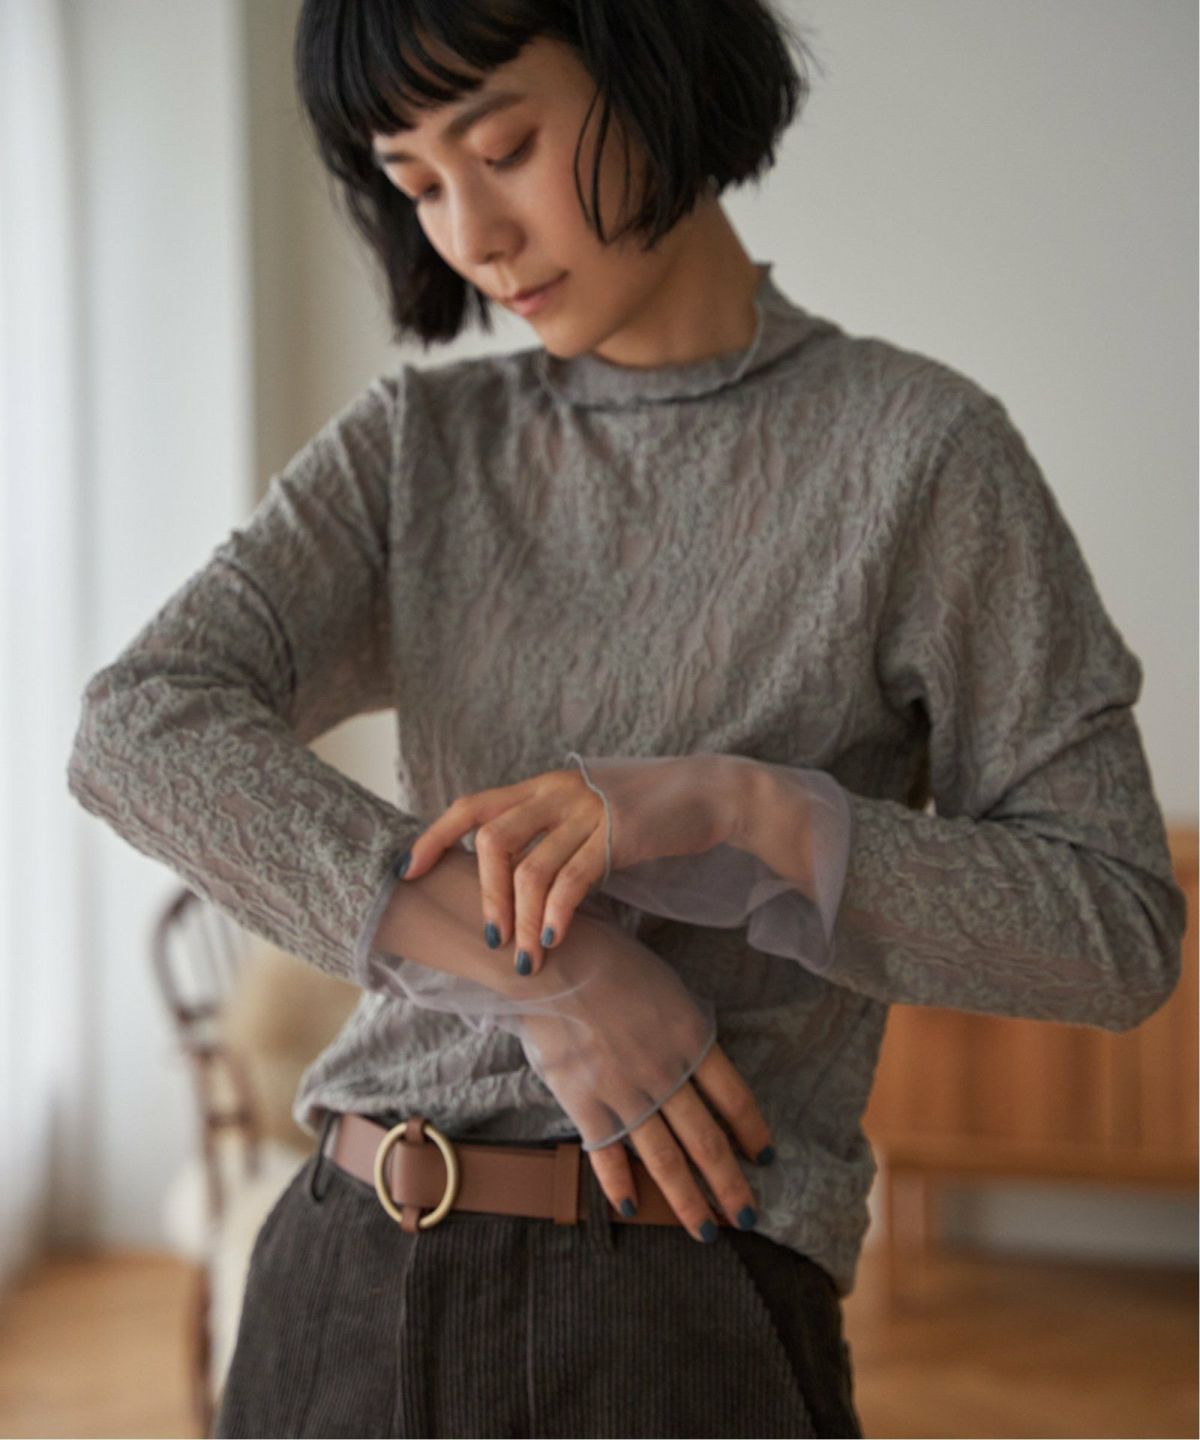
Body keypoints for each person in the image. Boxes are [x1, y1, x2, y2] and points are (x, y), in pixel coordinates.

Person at [64, 2, 1187, 1436]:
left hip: (678, 1308)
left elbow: (1114, 930)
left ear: (651, 66)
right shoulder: (419, 452)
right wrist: (551, 976)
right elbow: (135, 728)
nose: (473, 234)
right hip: (337, 1275)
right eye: (417, 184)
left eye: (505, 148)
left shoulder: (920, 456)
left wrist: (744, 811)